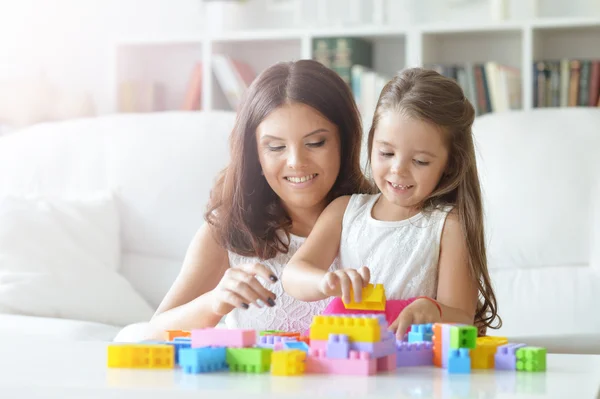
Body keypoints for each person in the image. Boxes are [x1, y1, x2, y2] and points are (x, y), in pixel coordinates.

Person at [123, 59, 373, 341]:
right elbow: (154, 330)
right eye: (275, 147)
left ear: (346, 140)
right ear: (255, 154)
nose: (296, 162)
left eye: (315, 143)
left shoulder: (378, 218)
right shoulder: (229, 229)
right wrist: (215, 301)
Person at [282, 67, 501, 339]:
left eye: (420, 161)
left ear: (450, 163)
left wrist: (432, 310)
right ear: (371, 142)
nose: (398, 170)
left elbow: (462, 316)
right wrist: (325, 282)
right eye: (386, 152)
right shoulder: (344, 211)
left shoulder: (448, 224)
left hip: (415, 364)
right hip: (352, 354)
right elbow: (293, 274)